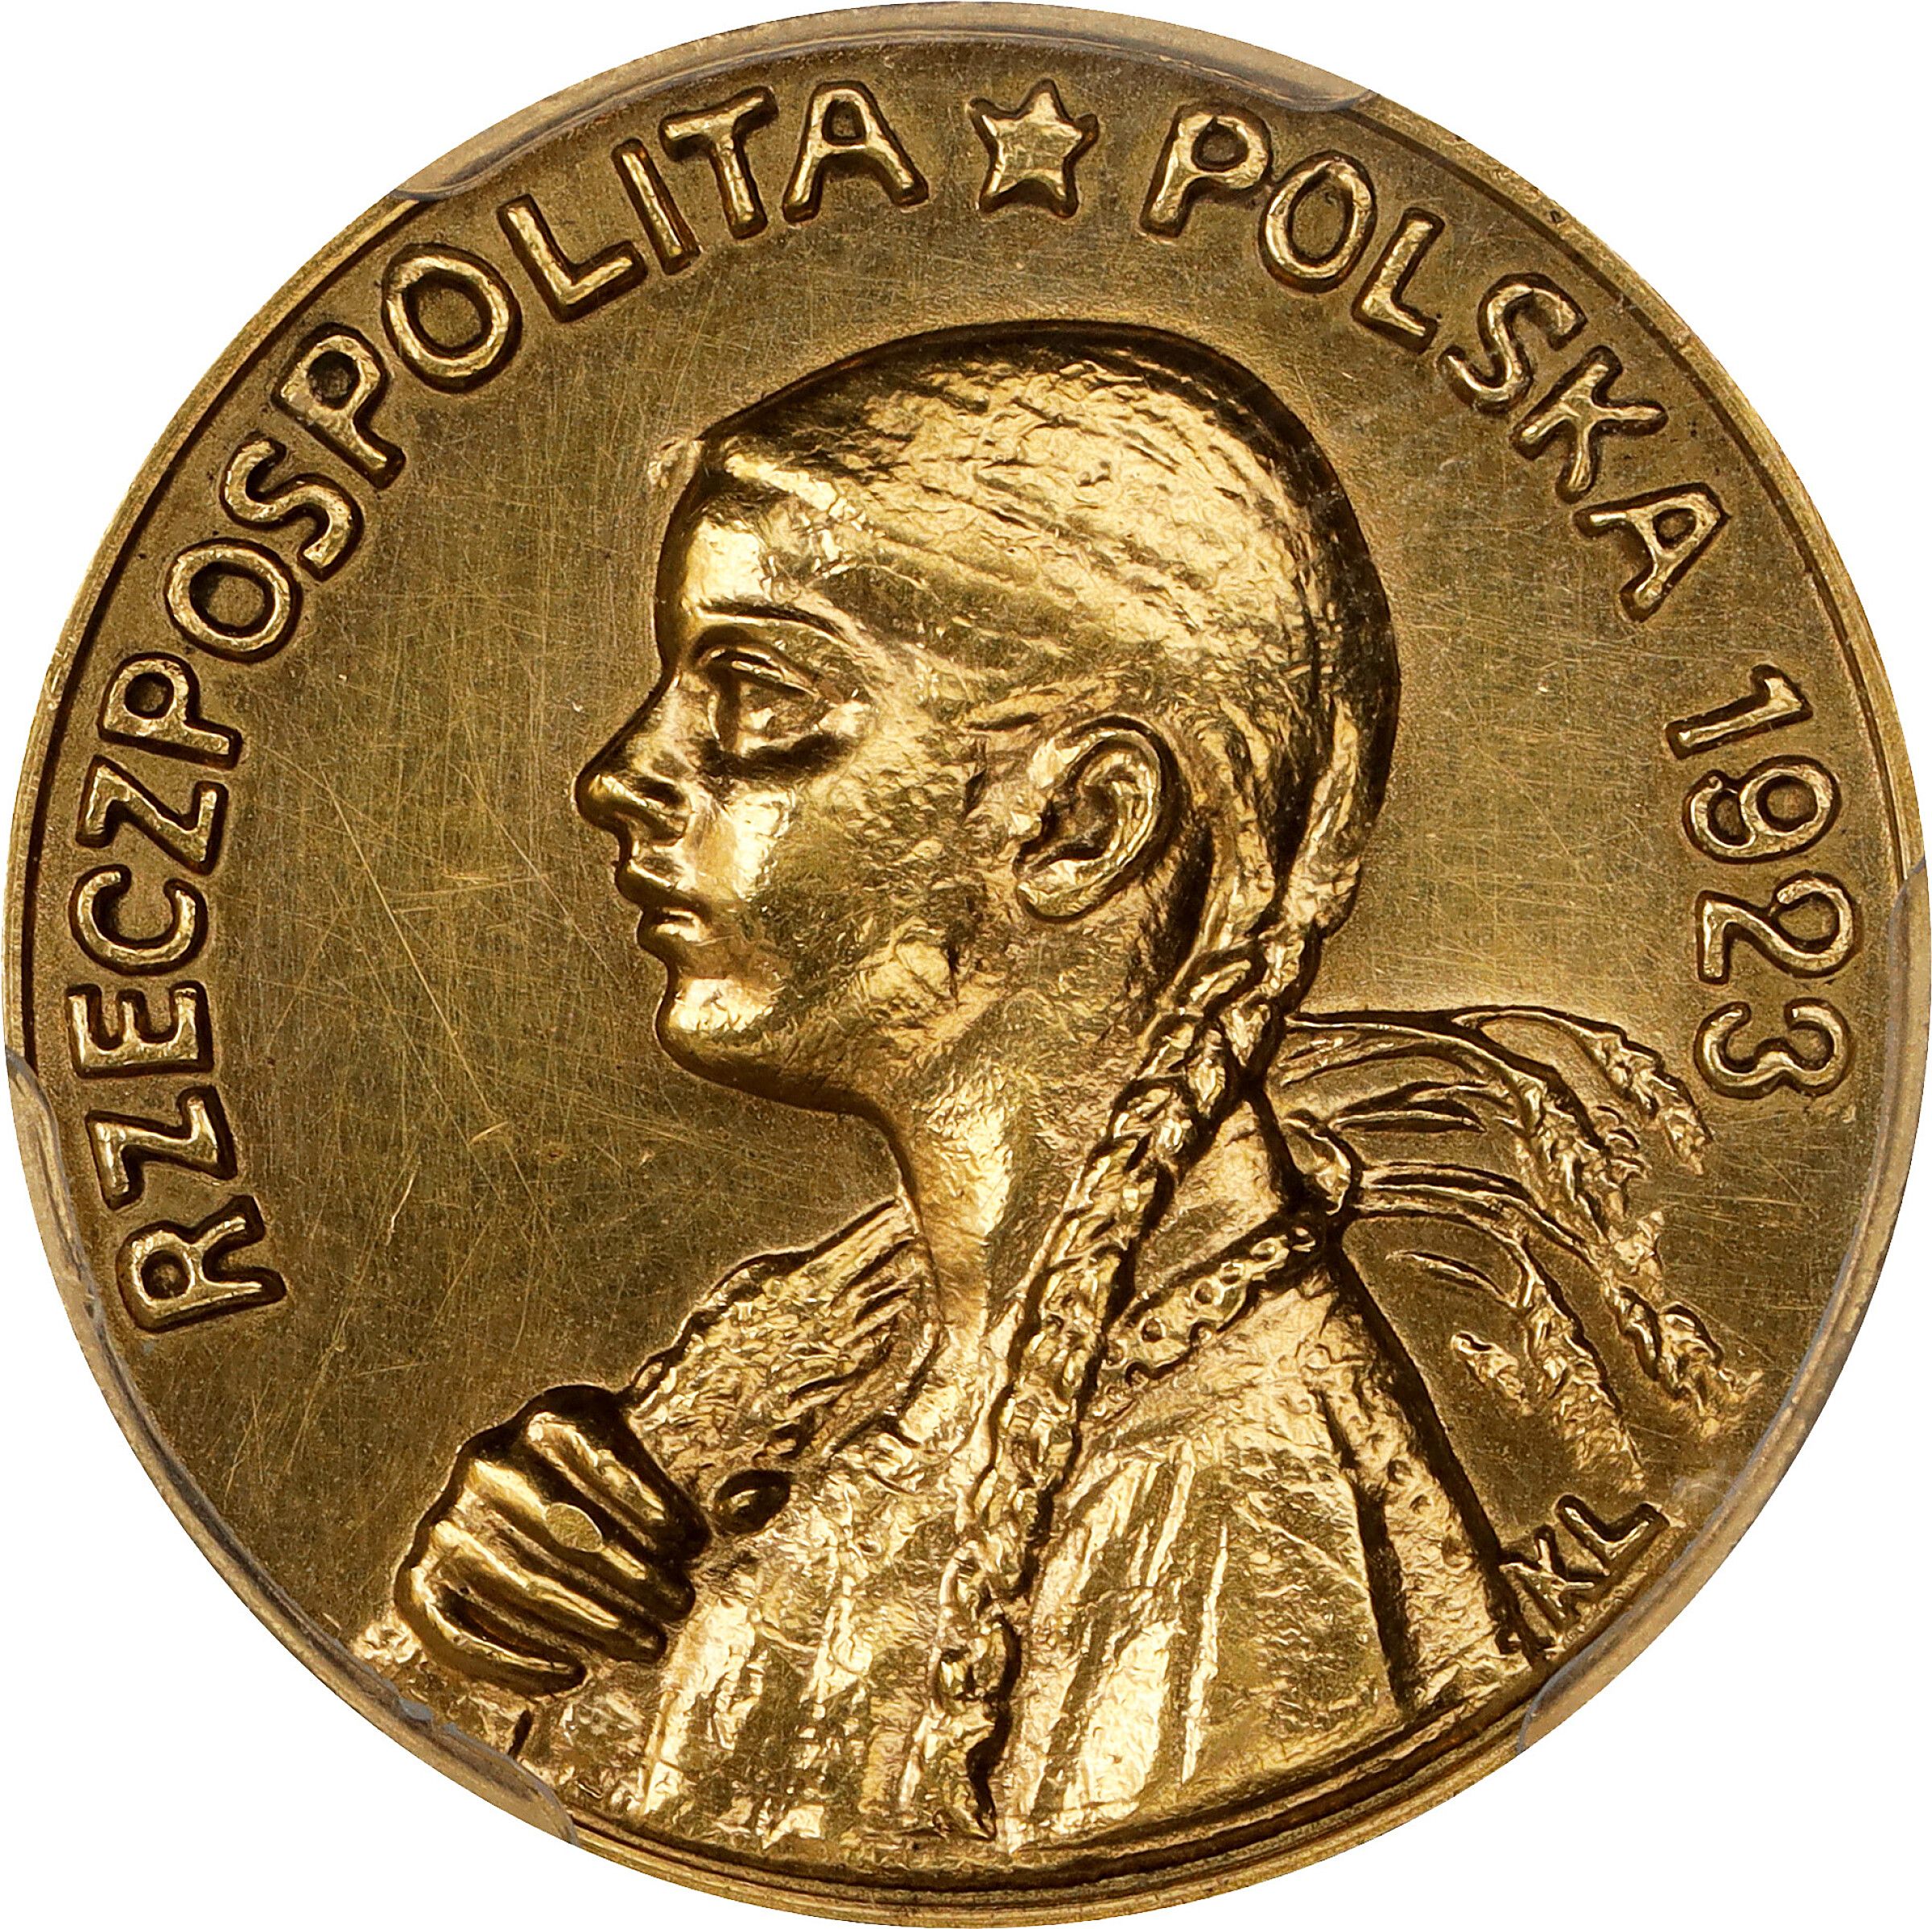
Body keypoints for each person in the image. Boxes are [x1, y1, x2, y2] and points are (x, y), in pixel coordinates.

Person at [356, 324, 1709, 1870]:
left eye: (757, 698)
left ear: (1080, 825)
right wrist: (483, 1644)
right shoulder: (834, 1372)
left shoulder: (1232, 1490)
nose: (620, 773)